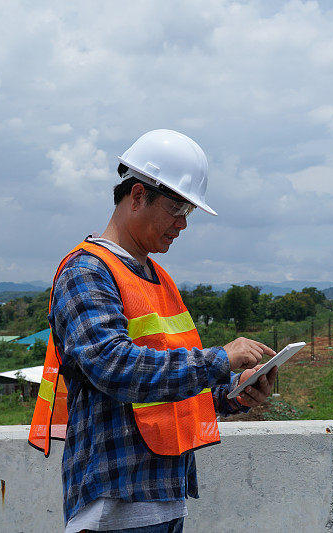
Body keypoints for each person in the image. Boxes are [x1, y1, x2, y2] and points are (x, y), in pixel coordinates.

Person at [29, 129, 278, 533]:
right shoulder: (87, 272)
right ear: (138, 196)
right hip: (113, 507)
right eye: (176, 208)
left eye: (188, 213)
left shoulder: (157, 278)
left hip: (164, 499)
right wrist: (219, 359)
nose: (182, 224)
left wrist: (233, 393)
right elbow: (115, 367)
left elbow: (169, 390)